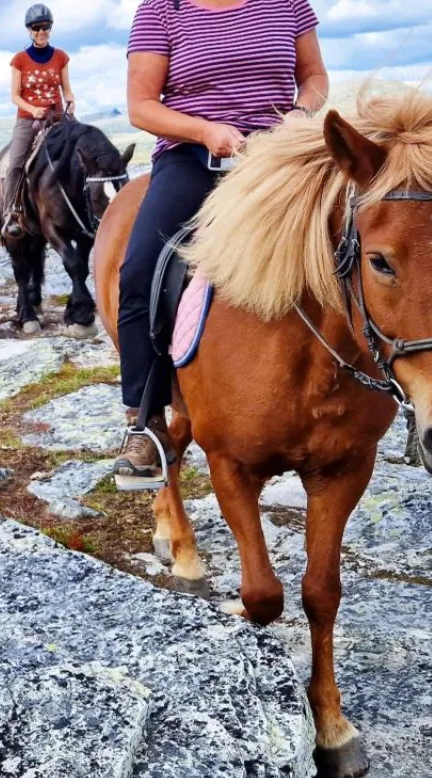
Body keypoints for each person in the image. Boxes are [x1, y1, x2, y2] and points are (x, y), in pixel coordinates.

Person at [114, 0, 329, 484]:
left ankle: (405, 385)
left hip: (282, 154)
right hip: (195, 158)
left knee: (367, 240)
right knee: (141, 267)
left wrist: (299, 114)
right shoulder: (160, 10)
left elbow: (314, 77)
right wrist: (205, 130)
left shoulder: (288, 3)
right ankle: (145, 422)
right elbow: (141, 105)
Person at [1, 3, 76, 239]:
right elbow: (14, 95)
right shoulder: (19, 60)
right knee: (15, 163)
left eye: (46, 26)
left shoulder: (61, 57)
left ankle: (88, 202)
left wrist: (71, 102)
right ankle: (10, 213)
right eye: (37, 27)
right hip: (28, 118)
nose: (42, 31)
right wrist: (32, 109)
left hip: (57, 115)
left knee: (84, 150)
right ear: (29, 30)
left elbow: (67, 90)